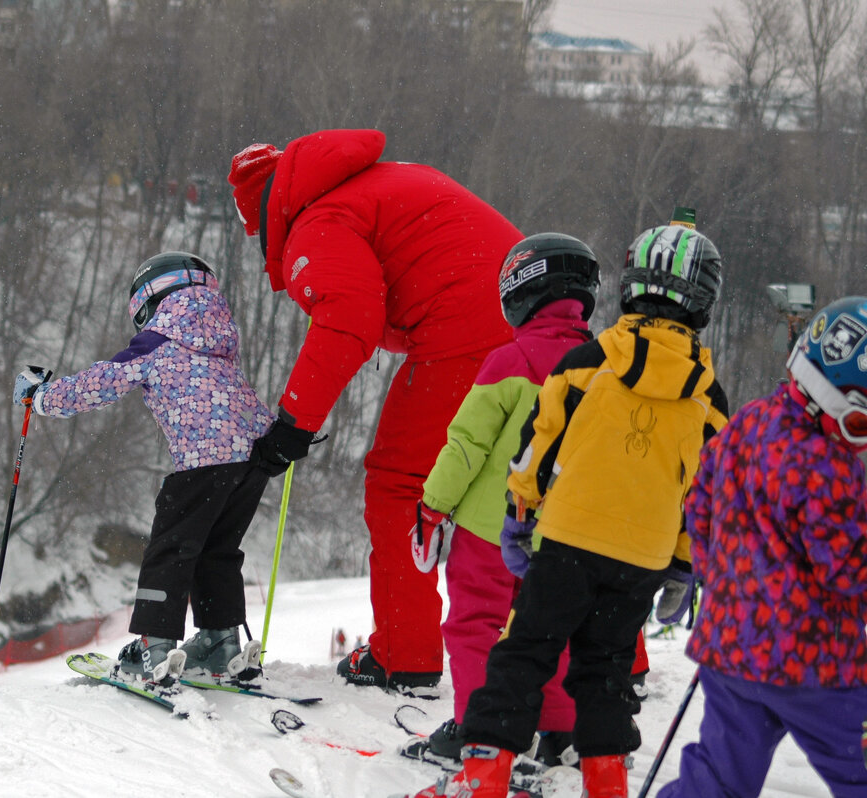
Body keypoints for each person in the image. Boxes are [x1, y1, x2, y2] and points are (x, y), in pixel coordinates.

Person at [400, 223, 729, 798]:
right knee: (604, 671)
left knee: (521, 652)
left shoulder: (589, 360)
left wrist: (518, 515)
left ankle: (483, 777)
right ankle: (603, 781)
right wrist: (684, 563)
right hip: (642, 556)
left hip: (568, 540)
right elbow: (704, 491)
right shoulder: (707, 393)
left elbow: (536, 445)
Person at [227, 128, 523, 695]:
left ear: (268, 212)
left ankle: (403, 654)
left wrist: (292, 425)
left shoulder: (319, 221)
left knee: (399, 483)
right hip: (526, 324)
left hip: (464, 331)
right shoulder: (373, 186)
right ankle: (599, 658)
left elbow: (349, 320)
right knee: (528, 485)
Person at [12, 251, 274, 684]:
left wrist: (41, 398)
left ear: (149, 301)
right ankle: (219, 639)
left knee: (169, 550)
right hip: (251, 461)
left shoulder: (159, 341)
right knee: (217, 550)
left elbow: (100, 382)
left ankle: (154, 648)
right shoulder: (219, 339)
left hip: (200, 462)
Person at [658, 296, 867, 797]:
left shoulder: (746, 424)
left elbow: (700, 508)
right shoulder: (828, 466)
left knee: (719, 778)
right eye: (859, 426)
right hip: (812, 666)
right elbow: (848, 570)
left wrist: (728, 581)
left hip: (731, 650)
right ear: (829, 400)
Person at [405, 233, 598, 769]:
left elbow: (466, 446)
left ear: (521, 292)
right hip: (562, 534)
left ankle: (477, 725)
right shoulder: (601, 368)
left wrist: (432, 506)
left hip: (490, 531)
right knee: (552, 627)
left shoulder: (508, 361)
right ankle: (558, 729)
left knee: (475, 624)